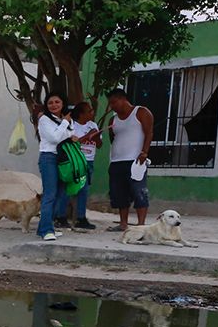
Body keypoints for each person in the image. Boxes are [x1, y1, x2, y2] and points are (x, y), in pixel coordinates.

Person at [106, 88, 153, 232]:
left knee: (139, 192)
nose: (112, 106)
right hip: (116, 161)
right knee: (119, 194)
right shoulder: (113, 120)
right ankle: (123, 223)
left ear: (122, 99)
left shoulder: (141, 112)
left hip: (135, 160)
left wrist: (144, 152)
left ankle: (141, 224)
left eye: (114, 102)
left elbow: (149, 133)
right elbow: (112, 138)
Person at [36, 92, 74, 241]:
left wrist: (66, 126)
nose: (54, 105)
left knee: (60, 194)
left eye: (57, 102)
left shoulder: (63, 120)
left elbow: (72, 135)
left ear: (63, 103)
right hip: (49, 158)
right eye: (50, 102)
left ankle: (46, 226)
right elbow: (55, 138)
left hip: (63, 159)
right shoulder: (44, 119)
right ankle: (46, 230)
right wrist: (65, 123)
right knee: (50, 194)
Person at [71, 102, 101, 230]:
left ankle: (81, 218)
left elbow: (99, 144)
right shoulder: (73, 126)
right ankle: (60, 216)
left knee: (84, 190)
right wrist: (87, 136)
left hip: (89, 161)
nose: (92, 113)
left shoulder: (93, 125)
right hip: (76, 160)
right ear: (81, 114)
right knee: (69, 189)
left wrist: (96, 136)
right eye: (89, 111)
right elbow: (72, 144)